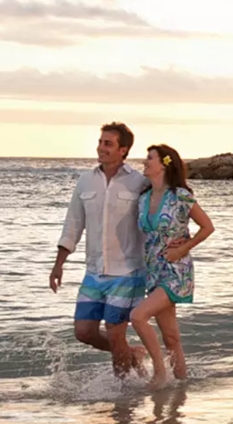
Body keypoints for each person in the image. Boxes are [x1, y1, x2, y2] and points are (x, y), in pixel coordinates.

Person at [49, 121, 149, 378]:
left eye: (108, 143)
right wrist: (59, 264)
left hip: (127, 271)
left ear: (123, 150)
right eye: (100, 142)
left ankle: (122, 396)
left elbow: (155, 217)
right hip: (94, 271)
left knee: (116, 335)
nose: (101, 148)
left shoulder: (139, 182)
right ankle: (133, 354)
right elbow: (73, 223)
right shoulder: (85, 181)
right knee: (84, 332)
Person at [130, 144, 214, 389]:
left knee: (138, 316)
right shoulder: (143, 198)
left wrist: (184, 247)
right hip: (153, 270)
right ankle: (181, 386)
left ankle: (159, 374)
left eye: (149, 158)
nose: (145, 162)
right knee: (171, 337)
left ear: (164, 164)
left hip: (176, 270)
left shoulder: (180, 196)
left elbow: (207, 226)